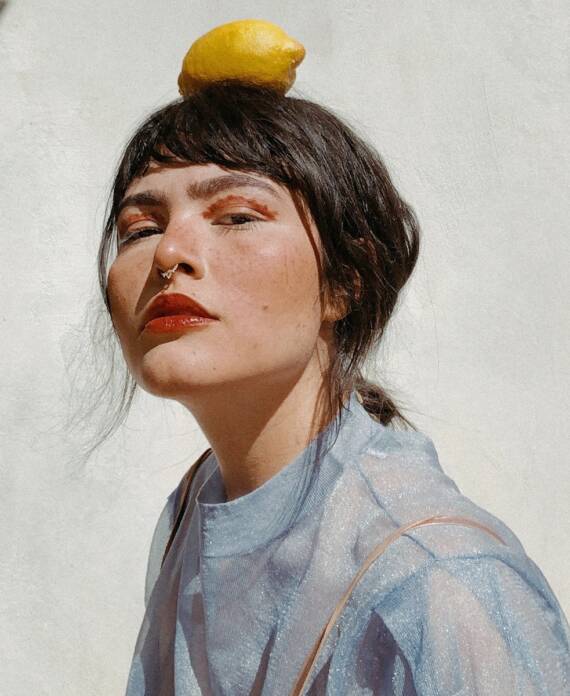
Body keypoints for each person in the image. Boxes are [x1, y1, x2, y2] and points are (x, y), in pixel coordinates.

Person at [100, 77, 570, 695]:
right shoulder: (195, 511)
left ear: (344, 282)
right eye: (140, 228)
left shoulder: (439, 581)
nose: (169, 253)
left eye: (237, 216)